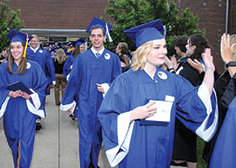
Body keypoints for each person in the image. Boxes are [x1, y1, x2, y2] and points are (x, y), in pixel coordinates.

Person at [97, 19, 218, 168]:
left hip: (163, 149)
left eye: (164, 46)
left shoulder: (171, 80)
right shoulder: (125, 81)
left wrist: (210, 72)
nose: (165, 52)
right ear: (143, 50)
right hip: (136, 151)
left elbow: (196, 102)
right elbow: (107, 116)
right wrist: (131, 115)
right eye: (157, 47)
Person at [60, 16, 121, 168]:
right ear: (90, 38)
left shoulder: (113, 59)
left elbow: (119, 83)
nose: (96, 39)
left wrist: (107, 87)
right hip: (85, 103)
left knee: (97, 139)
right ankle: (85, 164)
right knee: (86, 138)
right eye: (93, 36)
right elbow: (74, 81)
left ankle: (93, 163)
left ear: (104, 37)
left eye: (99, 35)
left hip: (104, 104)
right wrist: (69, 102)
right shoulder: (82, 58)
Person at [0, 30, 47, 168]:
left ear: (24, 48)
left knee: (25, 145)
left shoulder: (34, 67)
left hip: (27, 110)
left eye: (18, 47)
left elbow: (42, 87)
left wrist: (31, 95)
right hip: (11, 109)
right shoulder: (3, 68)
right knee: (14, 142)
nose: (15, 50)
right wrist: (9, 94)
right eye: (12, 47)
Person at [167, 34, 211, 168]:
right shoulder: (190, 62)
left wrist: (171, 68)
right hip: (184, 110)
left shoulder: (194, 64)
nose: (185, 46)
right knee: (187, 145)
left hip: (187, 110)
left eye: (188, 44)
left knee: (186, 145)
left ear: (193, 47)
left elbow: (179, 85)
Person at [203, 33, 236, 167]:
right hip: (220, 128)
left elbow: (226, 102)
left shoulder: (231, 71)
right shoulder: (228, 73)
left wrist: (230, 61)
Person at [26, 34, 56, 130]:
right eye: (31, 41)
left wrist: (53, 79)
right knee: (28, 100)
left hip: (40, 81)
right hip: (28, 81)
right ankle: (30, 120)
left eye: (35, 41)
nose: (33, 42)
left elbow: (50, 66)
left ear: (38, 41)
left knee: (40, 100)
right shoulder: (25, 52)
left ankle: (37, 119)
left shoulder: (44, 53)